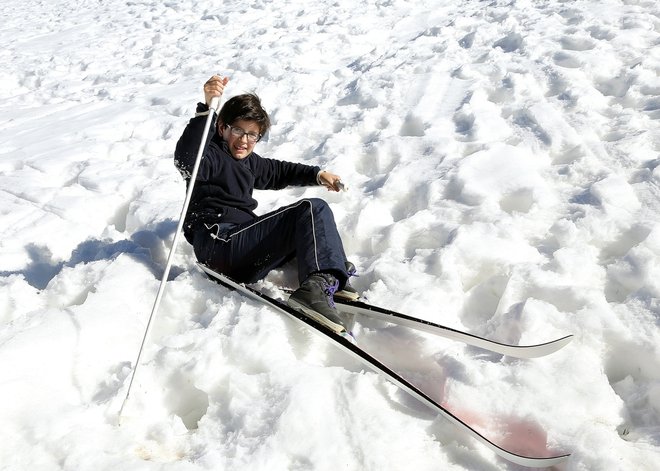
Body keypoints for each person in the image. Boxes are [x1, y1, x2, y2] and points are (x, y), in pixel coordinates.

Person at [174, 75, 357, 338]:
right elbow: (186, 159)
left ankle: (329, 275)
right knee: (310, 209)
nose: (244, 140)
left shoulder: (249, 162)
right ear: (222, 127)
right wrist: (206, 110)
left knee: (310, 231)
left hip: (242, 246)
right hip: (219, 242)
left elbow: (280, 171)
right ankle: (317, 285)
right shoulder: (210, 154)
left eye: (252, 135)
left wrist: (317, 175)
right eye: (238, 130)